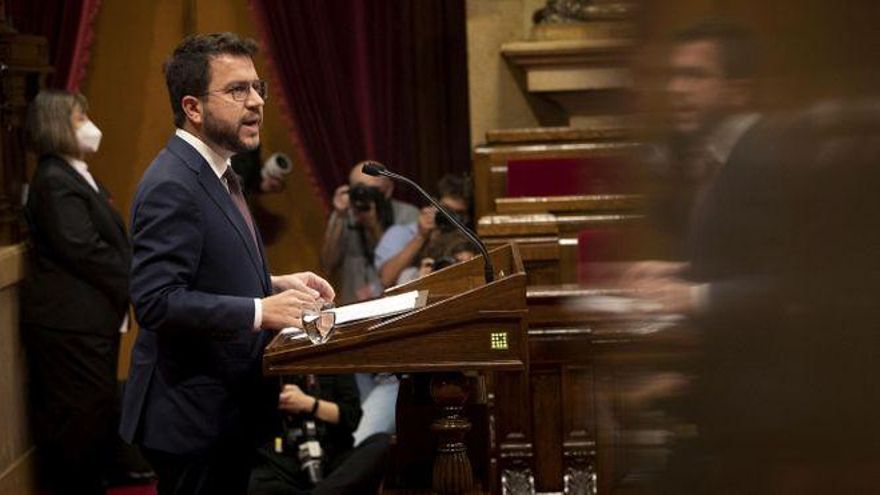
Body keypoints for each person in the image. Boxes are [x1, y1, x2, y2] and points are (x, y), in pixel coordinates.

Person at [119, 33, 335, 495]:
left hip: (224, 411)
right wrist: (261, 311)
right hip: (192, 416)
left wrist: (274, 283)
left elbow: (204, 269)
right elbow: (157, 302)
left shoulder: (218, 170)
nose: (256, 102)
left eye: (258, 88)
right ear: (193, 107)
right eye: (238, 90)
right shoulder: (172, 184)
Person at [20, 90, 131, 495]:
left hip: (91, 321)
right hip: (70, 326)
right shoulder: (53, 179)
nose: (89, 124)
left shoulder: (75, 173)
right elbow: (81, 247)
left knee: (94, 418)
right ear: (58, 126)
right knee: (76, 426)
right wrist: (137, 279)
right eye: (80, 117)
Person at [249, 374, 391, 495]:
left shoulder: (334, 359)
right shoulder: (269, 359)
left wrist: (309, 404)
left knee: (381, 443)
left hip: (333, 458)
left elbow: (352, 417)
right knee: (255, 483)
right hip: (286, 461)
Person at [320, 163, 418, 305]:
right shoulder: (346, 215)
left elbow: (390, 267)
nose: (366, 195)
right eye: (360, 189)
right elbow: (327, 264)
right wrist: (339, 216)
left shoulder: (408, 215)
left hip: (394, 303)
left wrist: (373, 226)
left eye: (372, 190)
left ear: (389, 189)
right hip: (353, 305)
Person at [374, 174, 473, 288]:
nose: (451, 218)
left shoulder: (463, 239)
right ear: (432, 205)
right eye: (447, 211)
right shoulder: (399, 234)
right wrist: (421, 236)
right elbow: (386, 279)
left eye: (458, 214)